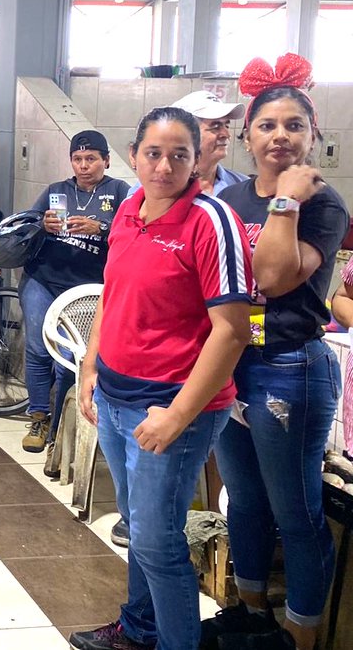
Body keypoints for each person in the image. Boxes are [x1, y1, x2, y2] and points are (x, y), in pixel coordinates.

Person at [70, 107, 252, 650]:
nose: (165, 166)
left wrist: (177, 416)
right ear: (134, 157)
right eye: (153, 153)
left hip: (174, 406)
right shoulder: (128, 210)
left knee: (156, 542)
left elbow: (232, 331)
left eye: (179, 155)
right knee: (138, 529)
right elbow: (113, 293)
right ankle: (139, 628)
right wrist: (90, 364)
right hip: (117, 396)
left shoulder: (209, 222)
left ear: (198, 160)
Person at [206, 54, 349, 650]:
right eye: (267, 125)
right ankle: (253, 610)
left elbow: (273, 277)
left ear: (313, 135)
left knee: (298, 512)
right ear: (247, 135)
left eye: (294, 125)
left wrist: (286, 201)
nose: (280, 136)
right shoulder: (231, 197)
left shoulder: (323, 203)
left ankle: (301, 632)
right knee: (244, 499)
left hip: (290, 369)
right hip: (232, 364)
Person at [19, 130, 130, 453]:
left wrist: (102, 228)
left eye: (91, 159)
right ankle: (38, 416)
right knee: (39, 349)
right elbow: (28, 224)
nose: (84, 166)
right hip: (43, 279)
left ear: (106, 161)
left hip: (89, 289)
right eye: (78, 159)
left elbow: (133, 233)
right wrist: (43, 225)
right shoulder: (57, 190)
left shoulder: (120, 192)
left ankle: (60, 427)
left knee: (70, 358)